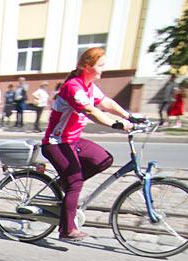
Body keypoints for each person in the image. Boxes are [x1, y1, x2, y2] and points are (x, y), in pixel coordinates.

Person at [41, 47, 135, 241]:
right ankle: (67, 230)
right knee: (75, 182)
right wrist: (115, 124)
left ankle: (63, 184)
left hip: (73, 141)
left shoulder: (89, 86)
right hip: (56, 142)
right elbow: (90, 111)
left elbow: (106, 103)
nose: (103, 69)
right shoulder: (72, 87)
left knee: (103, 159)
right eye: (100, 65)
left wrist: (129, 116)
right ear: (87, 66)